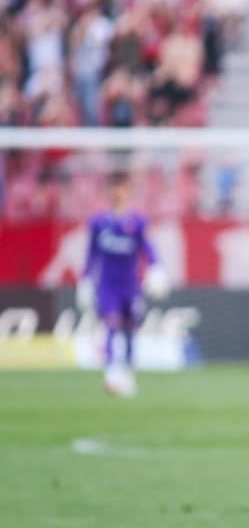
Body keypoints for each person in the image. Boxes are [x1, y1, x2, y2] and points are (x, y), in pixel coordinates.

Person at [77, 170, 168, 397]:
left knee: (129, 328)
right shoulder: (99, 223)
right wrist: (85, 279)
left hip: (130, 285)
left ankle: (127, 373)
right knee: (111, 324)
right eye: (114, 188)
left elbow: (147, 248)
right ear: (108, 191)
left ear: (128, 192)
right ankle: (111, 374)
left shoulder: (137, 222)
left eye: (122, 189)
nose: (117, 193)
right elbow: (91, 253)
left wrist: (156, 268)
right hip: (108, 285)